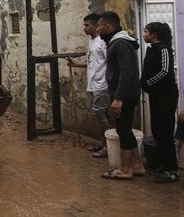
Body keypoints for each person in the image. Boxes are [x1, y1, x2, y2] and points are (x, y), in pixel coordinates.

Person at [98, 11, 145, 180]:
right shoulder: (117, 43)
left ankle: (125, 169)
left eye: (99, 25)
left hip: (123, 95)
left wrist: (118, 98)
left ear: (108, 26)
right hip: (122, 94)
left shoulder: (120, 44)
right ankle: (137, 165)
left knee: (123, 130)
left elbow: (127, 72)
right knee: (125, 129)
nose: (98, 29)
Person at [140, 22, 179, 183]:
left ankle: (172, 170)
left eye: (146, 32)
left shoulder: (163, 49)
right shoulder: (152, 49)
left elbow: (164, 71)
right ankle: (164, 163)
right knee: (156, 130)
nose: (143, 35)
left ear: (154, 35)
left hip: (166, 96)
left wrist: (148, 83)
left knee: (165, 131)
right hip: (156, 95)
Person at [67, 14, 109, 159]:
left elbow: (110, 64)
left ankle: (108, 146)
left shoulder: (102, 43)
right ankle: (103, 143)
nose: (84, 28)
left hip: (102, 84)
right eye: (84, 25)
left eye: (87, 25)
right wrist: (76, 64)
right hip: (94, 83)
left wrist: (106, 81)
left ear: (96, 26)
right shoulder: (92, 42)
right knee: (100, 115)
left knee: (100, 114)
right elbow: (93, 63)